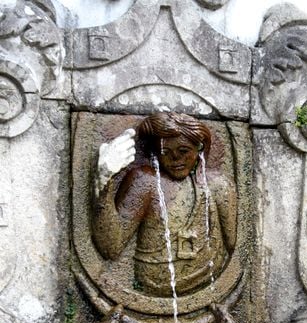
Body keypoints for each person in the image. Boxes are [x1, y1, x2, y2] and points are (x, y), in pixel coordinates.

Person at [92, 112, 237, 297]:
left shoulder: (218, 185)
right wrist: (104, 180)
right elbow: (111, 247)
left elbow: (234, 246)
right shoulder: (145, 181)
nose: (175, 159)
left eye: (183, 151)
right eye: (165, 152)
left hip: (207, 287)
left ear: (199, 148)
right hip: (151, 289)